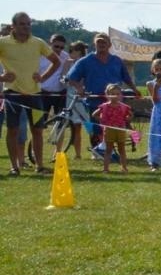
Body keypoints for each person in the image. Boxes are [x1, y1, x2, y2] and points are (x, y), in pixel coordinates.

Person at [1, 12, 60, 174]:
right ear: (13, 26)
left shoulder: (37, 42)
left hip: (35, 94)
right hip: (12, 93)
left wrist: (43, 77)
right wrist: (2, 77)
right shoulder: (3, 43)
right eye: (22, 24)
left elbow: (56, 61)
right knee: (13, 130)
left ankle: (39, 166)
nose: (26, 27)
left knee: (38, 130)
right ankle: (14, 167)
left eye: (28, 24)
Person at [67, 33, 139, 151]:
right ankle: (99, 151)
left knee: (122, 124)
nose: (101, 44)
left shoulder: (117, 61)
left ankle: (134, 142)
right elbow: (71, 78)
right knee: (96, 127)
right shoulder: (85, 61)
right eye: (99, 42)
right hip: (95, 101)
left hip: (116, 100)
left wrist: (135, 89)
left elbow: (126, 77)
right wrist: (79, 88)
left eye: (104, 42)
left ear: (109, 45)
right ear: (94, 44)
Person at [97, 85, 132, 173]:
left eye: (117, 94)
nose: (115, 96)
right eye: (112, 94)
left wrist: (128, 119)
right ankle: (106, 168)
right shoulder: (104, 106)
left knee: (122, 149)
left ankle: (124, 168)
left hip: (121, 130)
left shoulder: (124, 107)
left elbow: (130, 115)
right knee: (108, 150)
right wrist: (102, 120)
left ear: (121, 95)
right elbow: (95, 114)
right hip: (109, 130)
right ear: (107, 95)